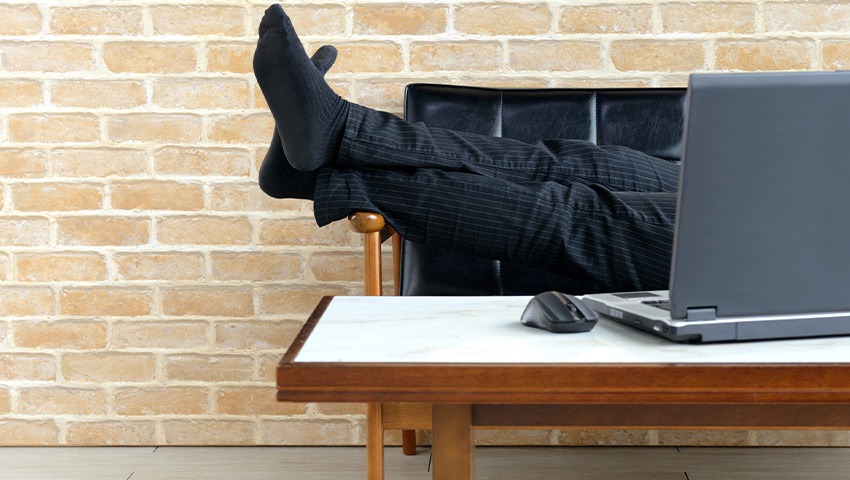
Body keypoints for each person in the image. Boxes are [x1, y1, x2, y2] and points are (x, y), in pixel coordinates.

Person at [253, 4, 679, 293]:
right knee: (591, 165)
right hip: (742, 203)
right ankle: (341, 132)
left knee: (584, 215)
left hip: (745, 265)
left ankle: (321, 165)